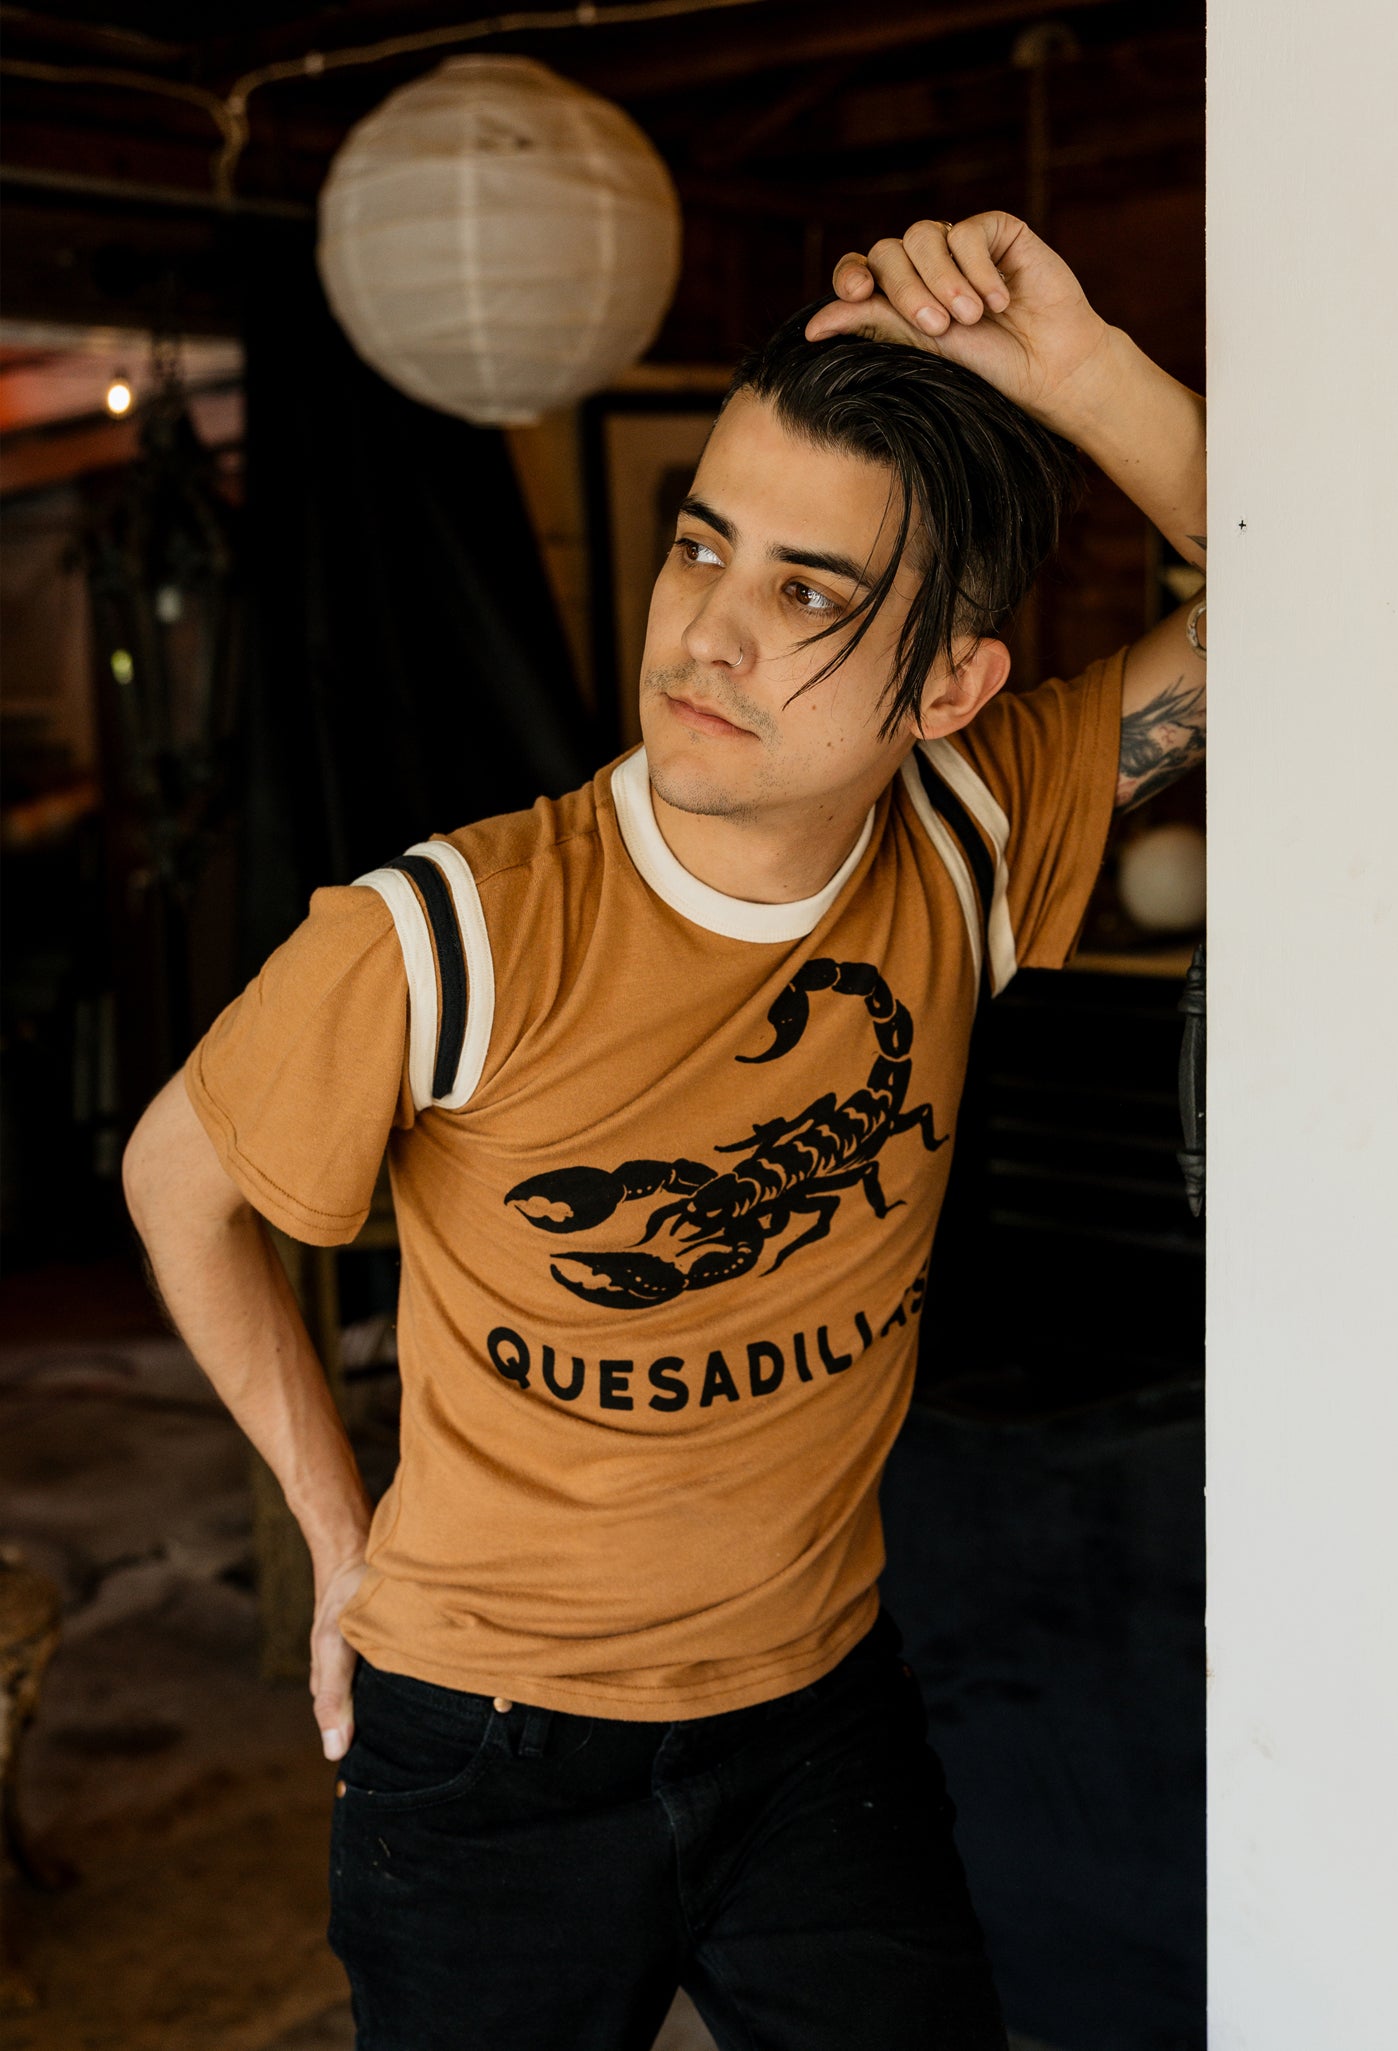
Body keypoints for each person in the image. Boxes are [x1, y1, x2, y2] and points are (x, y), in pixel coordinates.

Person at [123, 210, 1207, 2051]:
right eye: (706, 546)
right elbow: (177, 1180)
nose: (708, 629)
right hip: (485, 1752)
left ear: (950, 688)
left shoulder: (970, 840)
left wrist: (1087, 370)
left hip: (819, 1717)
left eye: (811, 595)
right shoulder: (448, 933)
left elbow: (1310, 589)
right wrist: (334, 1530)